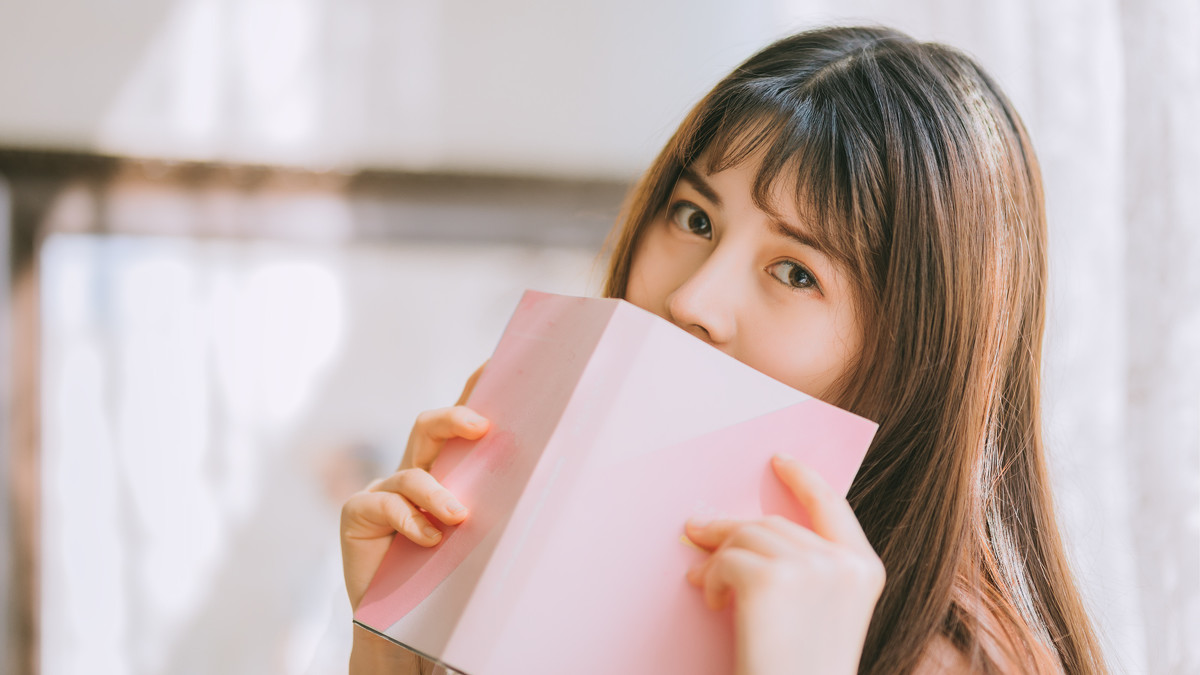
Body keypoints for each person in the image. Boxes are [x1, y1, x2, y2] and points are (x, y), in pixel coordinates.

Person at [340, 25, 1109, 674]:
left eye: (794, 270)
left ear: (917, 352)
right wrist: (394, 639)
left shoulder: (957, 655)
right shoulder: (596, 558)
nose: (692, 302)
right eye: (693, 218)